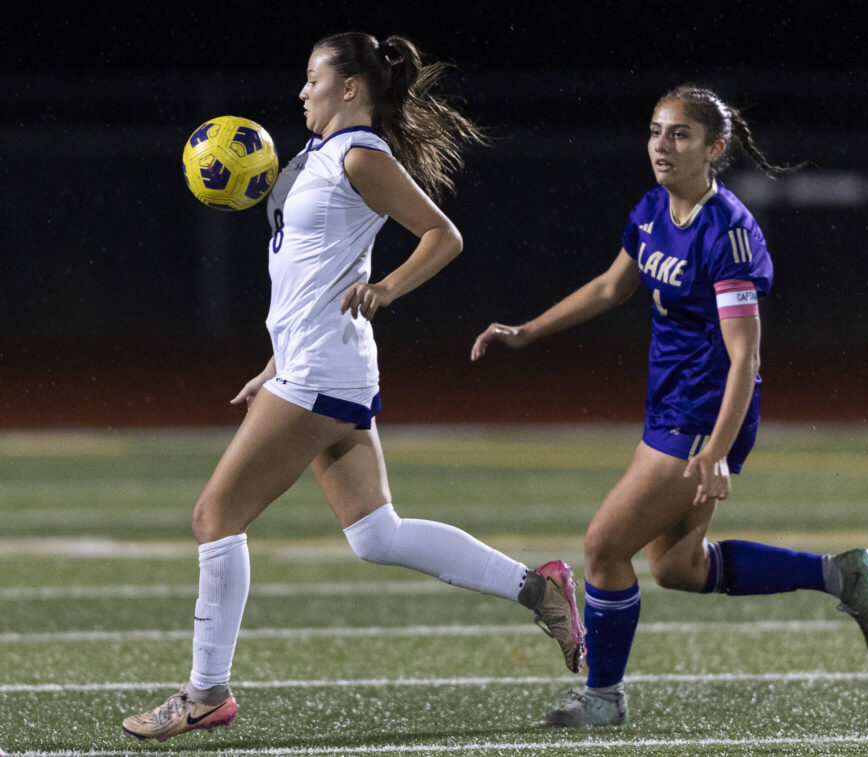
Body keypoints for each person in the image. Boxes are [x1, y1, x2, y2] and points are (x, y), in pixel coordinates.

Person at [122, 31, 585, 743]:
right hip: (318, 365)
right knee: (376, 534)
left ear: (348, 88)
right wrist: (274, 362)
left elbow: (442, 234)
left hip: (322, 371)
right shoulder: (319, 158)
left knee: (215, 517)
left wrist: (387, 289)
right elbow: (313, 277)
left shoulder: (361, 155)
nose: (302, 91)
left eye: (313, 78)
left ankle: (206, 693)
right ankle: (539, 585)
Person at [471, 84, 868, 727]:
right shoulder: (652, 209)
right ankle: (840, 575)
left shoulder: (731, 235)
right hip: (670, 406)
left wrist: (717, 450)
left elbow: (745, 358)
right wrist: (527, 331)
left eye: (680, 134)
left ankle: (603, 698)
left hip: (702, 416)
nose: (662, 146)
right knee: (679, 567)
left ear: (714, 148)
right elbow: (612, 285)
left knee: (605, 547)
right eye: (655, 131)